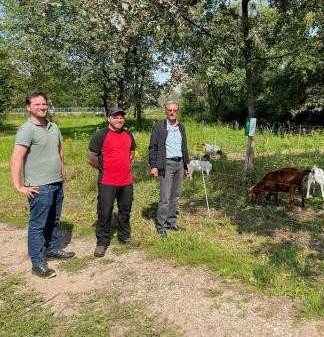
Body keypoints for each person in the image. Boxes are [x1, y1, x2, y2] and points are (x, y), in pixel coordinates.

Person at [11, 91, 75, 279]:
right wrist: (19, 186)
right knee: (38, 225)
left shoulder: (53, 127)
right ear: (28, 107)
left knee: (53, 220)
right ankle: (38, 262)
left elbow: (59, 150)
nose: (42, 107)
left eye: (44, 104)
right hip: (39, 186)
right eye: (37, 104)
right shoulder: (27, 129)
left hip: (56, 183)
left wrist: (62, 168)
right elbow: (16, 159)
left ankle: (52, 249)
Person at [87, 107, 139, 257]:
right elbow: (90, 157)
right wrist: (104, 168)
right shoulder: (101, 134)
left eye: (121, 117)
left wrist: (125, 164)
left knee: (125, 209)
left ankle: (124, 236)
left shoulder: (128, 134)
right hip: (107, 181)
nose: (119, 120)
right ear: (108, 118)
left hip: (126, 181)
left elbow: (132, 152)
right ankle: (102, 242)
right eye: (116, 117)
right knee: (104, 211)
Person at [148, 100, 190, 238]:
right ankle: (161, 226)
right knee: (165, 197)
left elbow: (184, 146)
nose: (172, 112)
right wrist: (154, 166)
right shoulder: (159, 127)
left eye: (174, 110)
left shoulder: (181, 127)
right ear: (166, 111)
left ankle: (171, 222)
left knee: (175, 196)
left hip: (179, 163)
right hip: (166, 164)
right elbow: (153, 147)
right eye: (169, 110)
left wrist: (186, 164)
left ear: (178, 112)